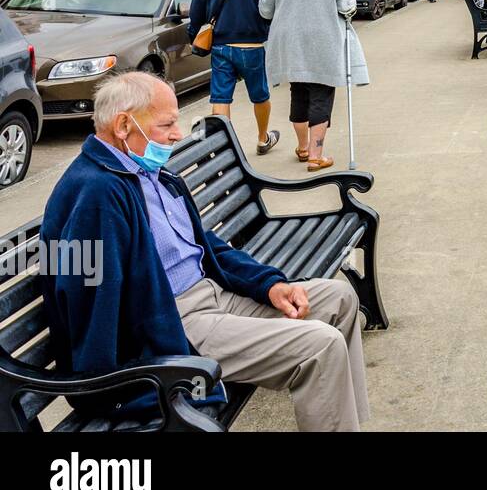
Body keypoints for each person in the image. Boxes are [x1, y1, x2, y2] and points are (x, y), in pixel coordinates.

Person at [40, 72, 369, 431]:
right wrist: (107, 386)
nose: (178, 134)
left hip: (215, 295)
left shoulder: (148, 173)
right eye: (167, 124)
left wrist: (269, 285)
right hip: (178, 326)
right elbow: (86, 296)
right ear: (123, 125)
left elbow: (203, 244)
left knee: (339, 297)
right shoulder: (95, 195)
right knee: (320, 345)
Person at [259, 0, 367, 172]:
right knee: (321, 95)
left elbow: (266, 9)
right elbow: (348, 6)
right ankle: (316, 155)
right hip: (322, 39)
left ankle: (303, 147)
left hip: (291, 41)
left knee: (298, 92)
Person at [187, 0, 279, 155]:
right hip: (252, 44)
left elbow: (197, 10)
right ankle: (262, 138)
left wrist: (194, 38)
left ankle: (224, 147)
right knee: (260, 95)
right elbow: (271, 5)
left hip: (220, 45)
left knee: (220, 97)